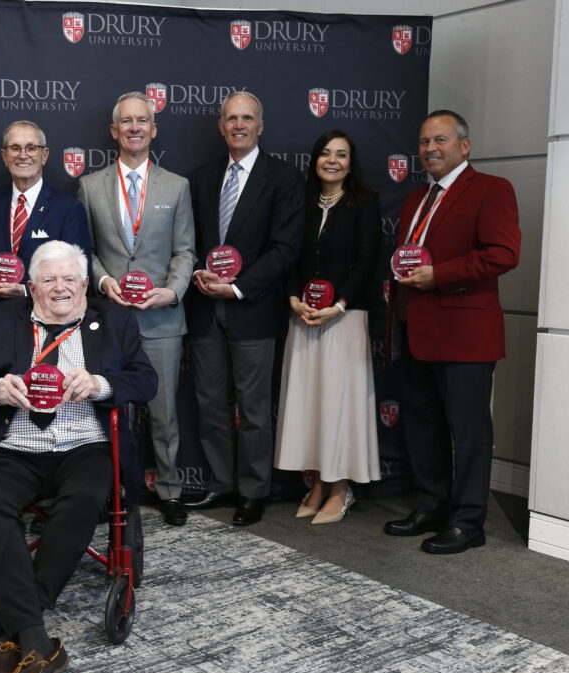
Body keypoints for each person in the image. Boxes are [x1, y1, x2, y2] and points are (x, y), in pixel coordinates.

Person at [0, 241, 157, 673]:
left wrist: (101, 384)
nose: (59, 288)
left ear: (85, 284)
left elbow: (145, 380)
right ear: (31, 286)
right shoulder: (1, 318)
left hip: (86, 444)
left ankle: (12, 628)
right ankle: (37, 641)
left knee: (84, 497)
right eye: (48, 280)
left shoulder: (115, 319)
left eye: (69, 279)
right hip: (17, 447)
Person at [384, 110, 521, 554]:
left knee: (468, 432)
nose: (430, 150)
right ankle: (431, 506)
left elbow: (503, 253)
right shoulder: (413, 202)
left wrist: (438, 275)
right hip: (416, 332)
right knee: (423, 429)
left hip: (466, 335)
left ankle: (467, 522)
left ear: (465, 146)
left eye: (440, 140)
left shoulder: (491, 190)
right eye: (424, 142)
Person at [183, 92, 305, 526]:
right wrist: (199, 272)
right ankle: (221, 482)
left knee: (254, 406)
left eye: (247, 118)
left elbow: (285, 248)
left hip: (252, 308)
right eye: (231, 118)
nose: (238, 125)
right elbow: (189, 242)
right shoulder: (199, 178)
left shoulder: (285, 178)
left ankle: (254, 490)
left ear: (260, 125)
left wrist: (237, 288)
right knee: (210, 400)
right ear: (221, 126)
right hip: (203, 308)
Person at [77, 91, 196, 526]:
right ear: (114, 131)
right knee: (111, 415)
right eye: (125, 121)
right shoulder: (89, 186)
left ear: (153, 129)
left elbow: (186, 252)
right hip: (110, 321)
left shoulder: (177, 186)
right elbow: (84, 251)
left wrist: (172, 291)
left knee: (164, 413)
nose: (134, 128)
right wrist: (105, 282)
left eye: (141, 121)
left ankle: (169, 490)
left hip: (162, 318)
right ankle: (116, 491)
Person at [274, 129, 382, 523]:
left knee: (339, 404)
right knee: (310, 402)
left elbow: (367, 261)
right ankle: (317, 482)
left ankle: (340, 488)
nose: (332, 160)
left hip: (345, 319)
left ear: (351, 163)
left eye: (341, 154)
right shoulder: (300, 203)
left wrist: (337, 306)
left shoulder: (364, 203)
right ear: (314, 159)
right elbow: (286, 255)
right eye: (325, 153)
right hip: (303, 316)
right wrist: (292, 299)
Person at [0, 121, 92, 303]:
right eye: (15, 148)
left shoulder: (68, 208)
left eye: (31, 148)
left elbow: (78, 274)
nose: (23, 155)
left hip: (47, 316)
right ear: (4, 156)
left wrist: (24, 290)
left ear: (44, 155)